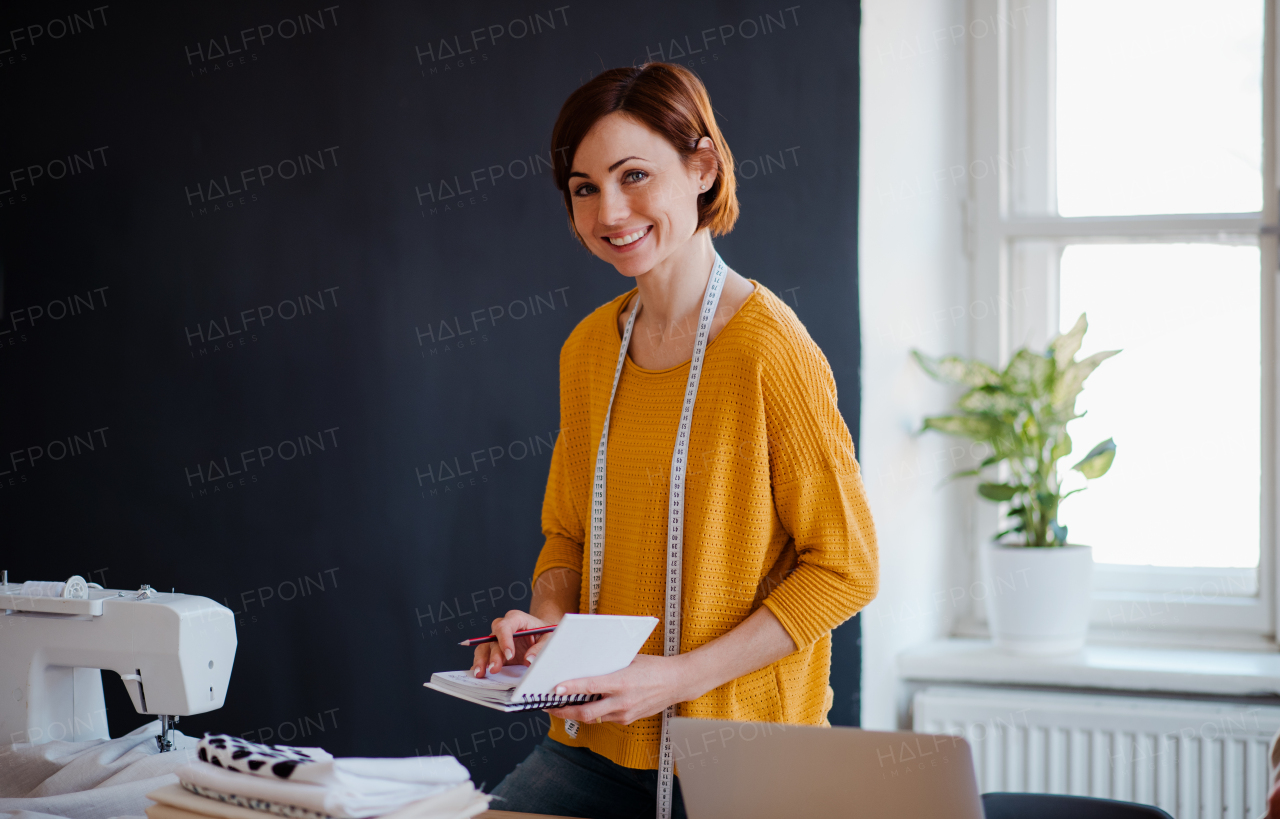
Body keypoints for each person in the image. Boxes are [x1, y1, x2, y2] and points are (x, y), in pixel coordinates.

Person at [478, 63, 879, 819]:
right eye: (585, 186)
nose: (611, 210)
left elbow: (847, 569)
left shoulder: (770, 350)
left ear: (701, 168)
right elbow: (567, 535)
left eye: (635, 175)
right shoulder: (589, 349)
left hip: (745, 756)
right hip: (599, 742)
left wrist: (676, 677)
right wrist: (545, 628)